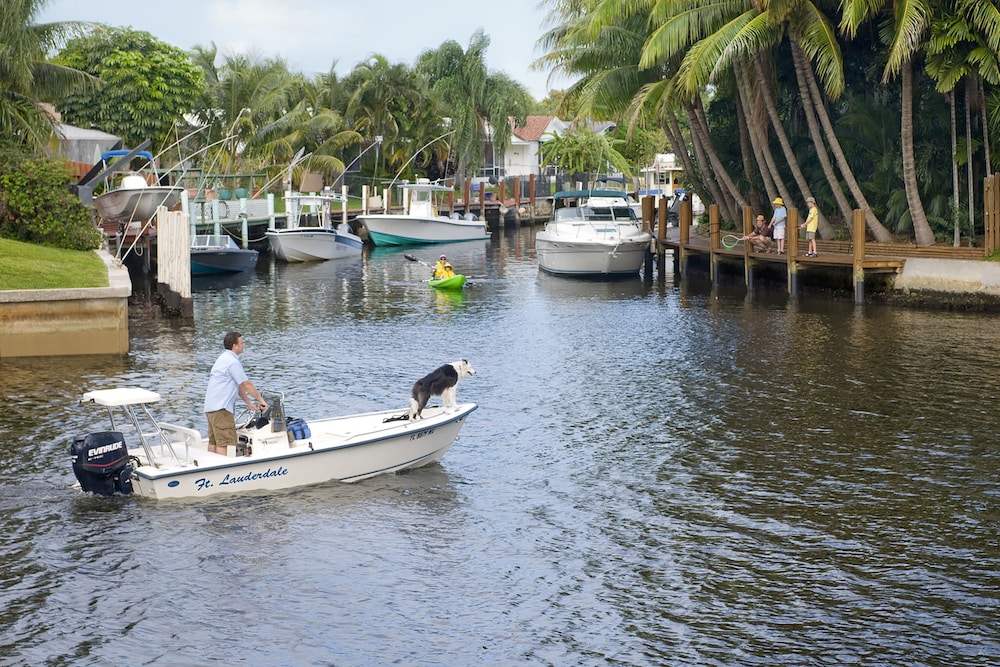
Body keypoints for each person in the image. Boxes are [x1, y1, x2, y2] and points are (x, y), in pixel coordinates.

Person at [203, 331, 267, 455]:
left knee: (214, 441)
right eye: (241, 343)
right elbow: (246, 384)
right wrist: (261, 400)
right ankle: (222, 466)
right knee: (225, 442)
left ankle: (212, 464)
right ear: (234, 346)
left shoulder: (223, 358)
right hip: (222, 409)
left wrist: (248, 403)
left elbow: (238, 385)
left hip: (211, 407)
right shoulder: (233, 362)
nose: (244, 345)